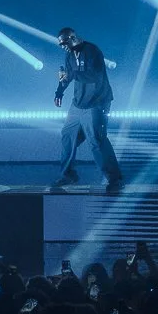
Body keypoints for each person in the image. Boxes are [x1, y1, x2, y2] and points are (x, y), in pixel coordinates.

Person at [52, 25, 122, 195]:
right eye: (60, 44)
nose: (62, 47)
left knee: (97, 141)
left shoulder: (92, 51)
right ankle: (68, 175)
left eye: (64, 43)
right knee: (68, 136)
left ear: (73, 38)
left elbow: (95, 76)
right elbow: (67, 76)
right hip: (78, 104)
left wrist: (71, 75)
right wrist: (59, 91)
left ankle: (115, 180)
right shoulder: (69, 55)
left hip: (97, 102)